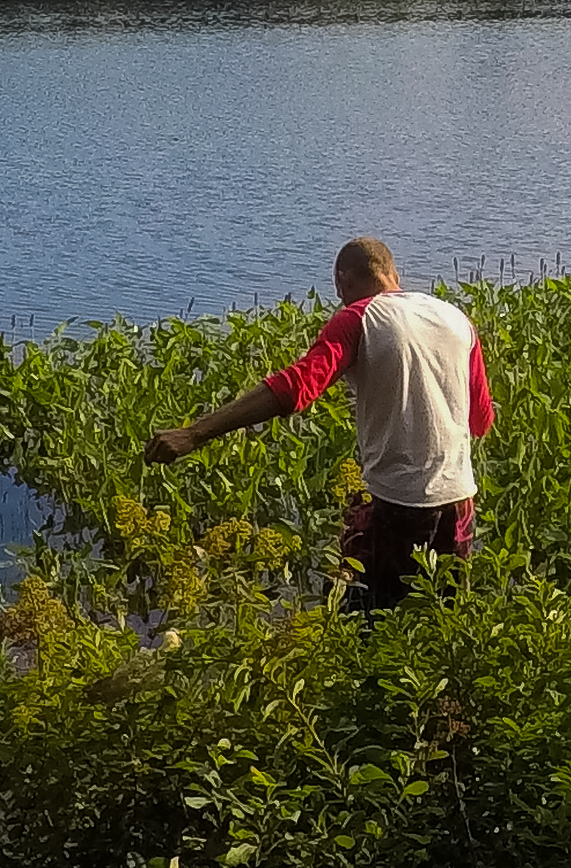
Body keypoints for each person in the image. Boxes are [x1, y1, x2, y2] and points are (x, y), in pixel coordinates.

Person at [144, 237, 495, 608]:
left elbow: (295, 388)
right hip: (459, 499)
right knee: (446, 617)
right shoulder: (457, 319)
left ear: (341, 281)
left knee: (380, 624)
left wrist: (194, 434)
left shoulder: (360, 317)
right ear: (394, 273)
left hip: (400, 505)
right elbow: (481, 421)